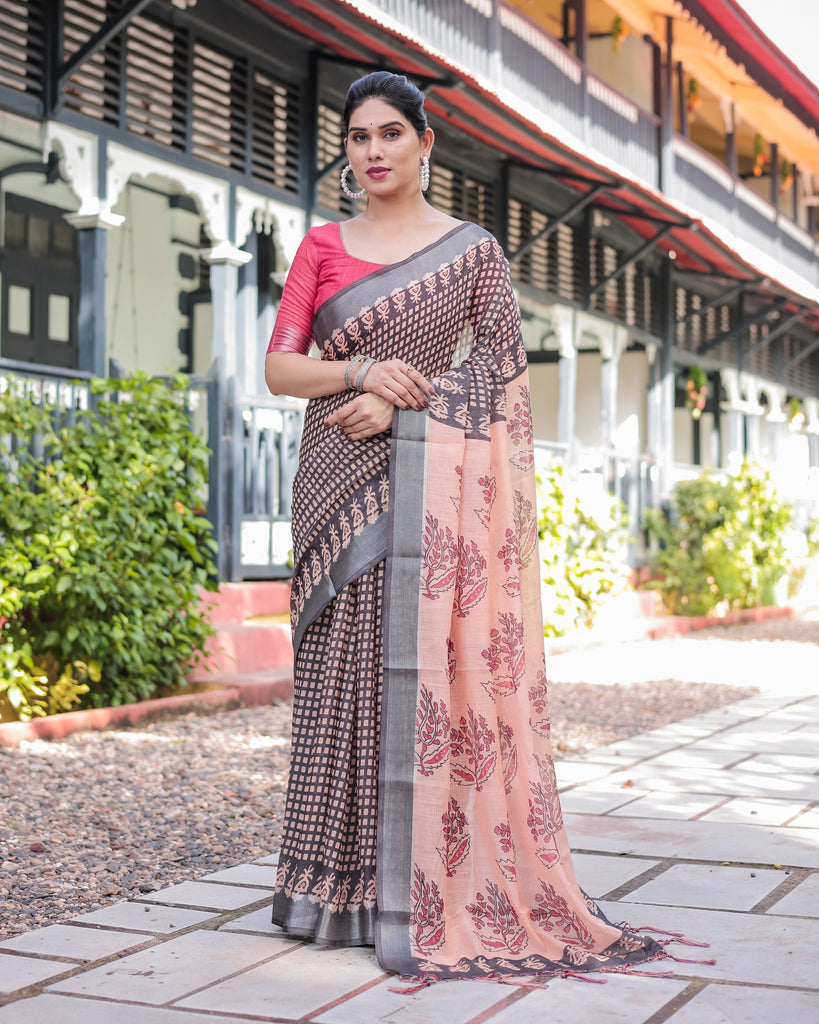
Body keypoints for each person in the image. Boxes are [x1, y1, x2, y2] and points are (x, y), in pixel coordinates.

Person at [265, 70, 671, 984]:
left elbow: (500, 371)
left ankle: (406, 890)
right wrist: (361, 374)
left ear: (423, 143)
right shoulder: (321, 246)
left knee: (412, 672)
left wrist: (406, 410)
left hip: (424, 480)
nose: (371, 152)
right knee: (340, 677)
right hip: (336, 477)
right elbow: (279, 369)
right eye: (357, 137)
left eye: (388, 136)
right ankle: (332, 889)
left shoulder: (471, 249)